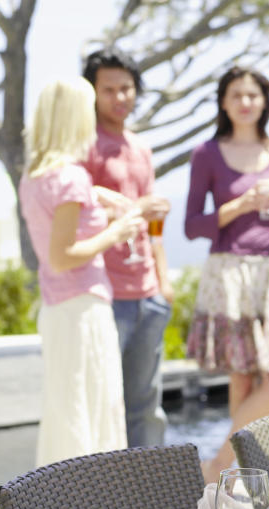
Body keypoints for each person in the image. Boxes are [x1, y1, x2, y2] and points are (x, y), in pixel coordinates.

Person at [184, 66, 269, 483]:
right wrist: (243, 203)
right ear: (223, 101)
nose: (245, 102)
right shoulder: (206, 154)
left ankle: (219, 464)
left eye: (253, 95)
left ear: (264, 101)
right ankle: (242, 480)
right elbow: (193, 226)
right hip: (230, 269)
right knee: (240, 375)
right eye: (236, 94)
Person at [18, 78, 144, 466]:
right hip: (82, 309)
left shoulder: (34, 175)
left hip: (58, 309)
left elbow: (57, 233)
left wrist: (97, 203)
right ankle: (95, 508)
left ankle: (57, 508)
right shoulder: (70, 177)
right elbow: (63, 255)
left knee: (67, 409)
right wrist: (116, 232)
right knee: (94, 407)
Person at [82, 48, 173, 448]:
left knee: (147, 404)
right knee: (104, 403)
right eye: (109, 90)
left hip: (148, 293)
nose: (120, 98)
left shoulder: (141, 148)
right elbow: (76, 214)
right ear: (93, 93)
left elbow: (153, 225)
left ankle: (149, 497)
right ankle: (104, 499)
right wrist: (135, 207)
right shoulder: (84, 145)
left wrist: (163, 282)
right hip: (106, 291)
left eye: (127, 88)